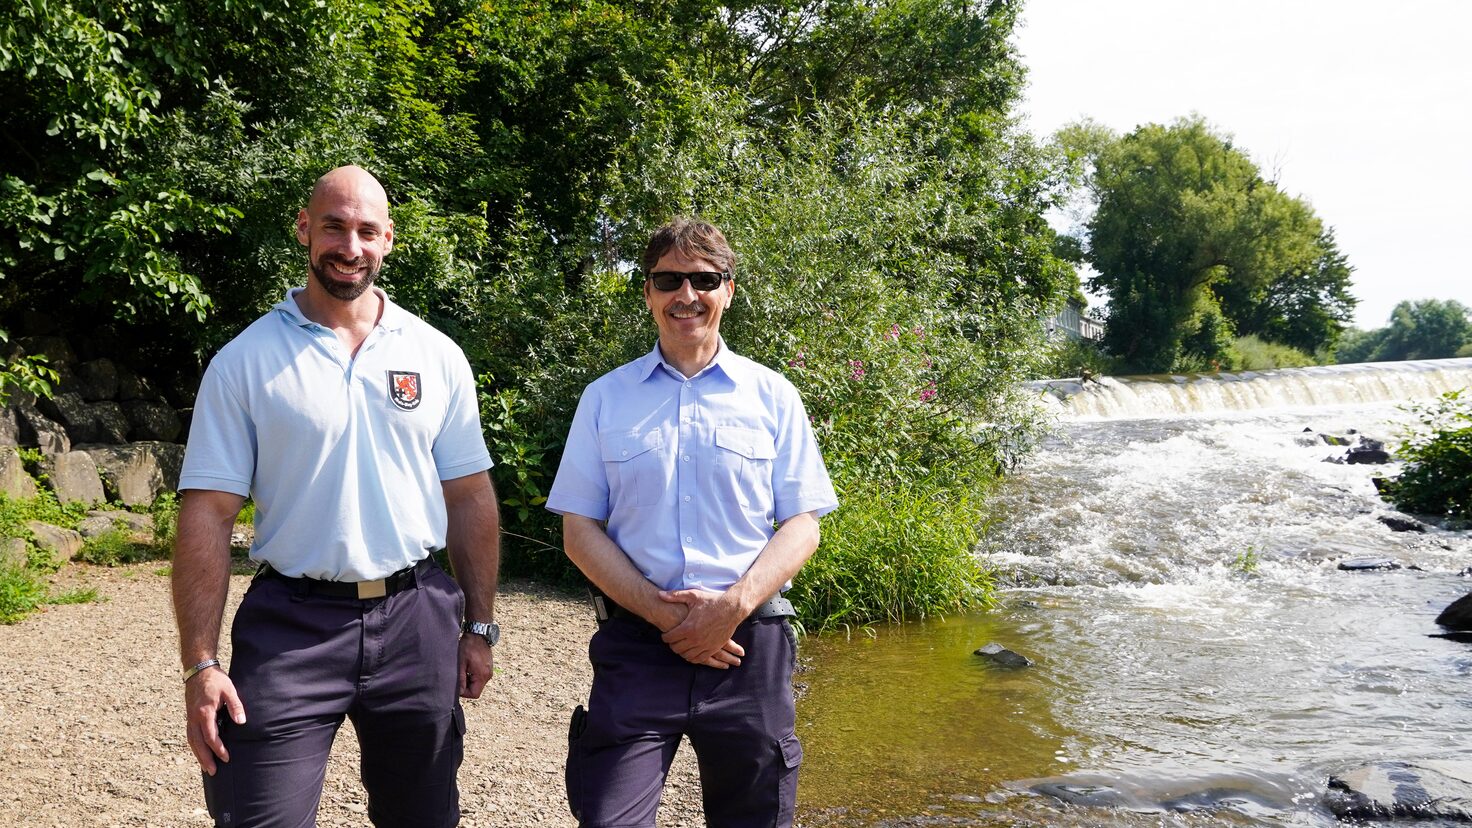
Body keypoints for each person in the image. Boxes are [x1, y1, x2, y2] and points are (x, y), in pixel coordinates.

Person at [171, 165, 501, 828]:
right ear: (304, 229)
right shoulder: (246, 360)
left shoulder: (436, 356)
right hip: (291, 625)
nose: (349, 245)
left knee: (424, 818)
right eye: (334, 226)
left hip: (417, 618)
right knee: (257, 816)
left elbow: (469, 497)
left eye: (365, 231)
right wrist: (201, 666)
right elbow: (206, 515)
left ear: (387, 240)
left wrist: (480, 626)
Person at [546, 217, 838, 828]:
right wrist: (667, 616)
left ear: (728, 290)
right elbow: (580, 531)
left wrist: (728, 608)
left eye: (703, 279)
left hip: (747, 649)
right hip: (637, 647)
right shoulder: (604, 398)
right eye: (668, 279)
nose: (687, 295)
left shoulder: (773, 395)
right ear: (647, 291)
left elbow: (802, 525)